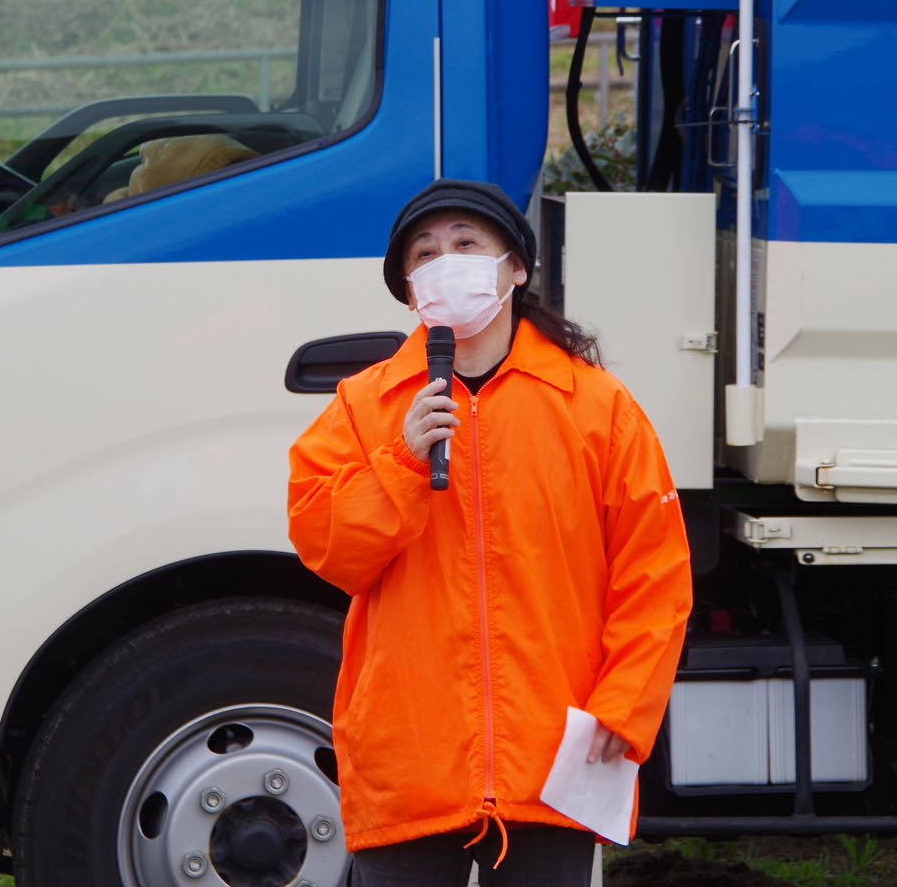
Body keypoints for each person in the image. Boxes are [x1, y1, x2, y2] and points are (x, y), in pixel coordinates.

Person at [288, 179, 692, 886]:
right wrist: (404, 463)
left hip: (555, 762)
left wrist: (623, 703)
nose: (447, 263)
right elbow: (327, 548)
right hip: (408, 762)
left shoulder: (596, 407)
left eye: (466, 244)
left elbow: (654, 572)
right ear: (411, 290)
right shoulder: (364, 406)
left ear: (516, 269)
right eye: (426, 252)